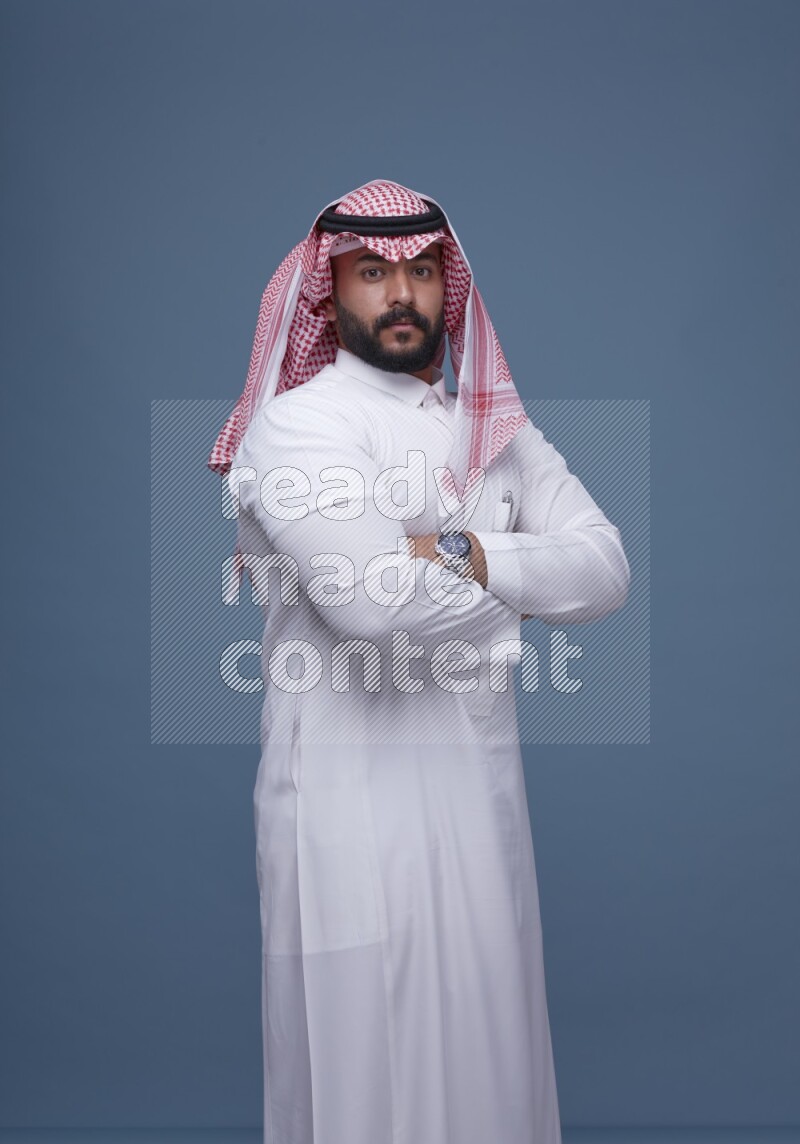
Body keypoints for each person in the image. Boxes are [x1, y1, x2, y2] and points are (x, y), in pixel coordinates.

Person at [209, 179, 630, 1144]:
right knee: (363, 1087)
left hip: (480, 813)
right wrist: (519, 577)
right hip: (347, 818)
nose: (401, 294)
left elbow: (605, 568)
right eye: (371, 273)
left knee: (494, 1080)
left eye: (422, 271)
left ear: (451, 285)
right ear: (328, 294)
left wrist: (457, 551)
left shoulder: (497, 432)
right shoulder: (299, 426)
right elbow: (370, 608)